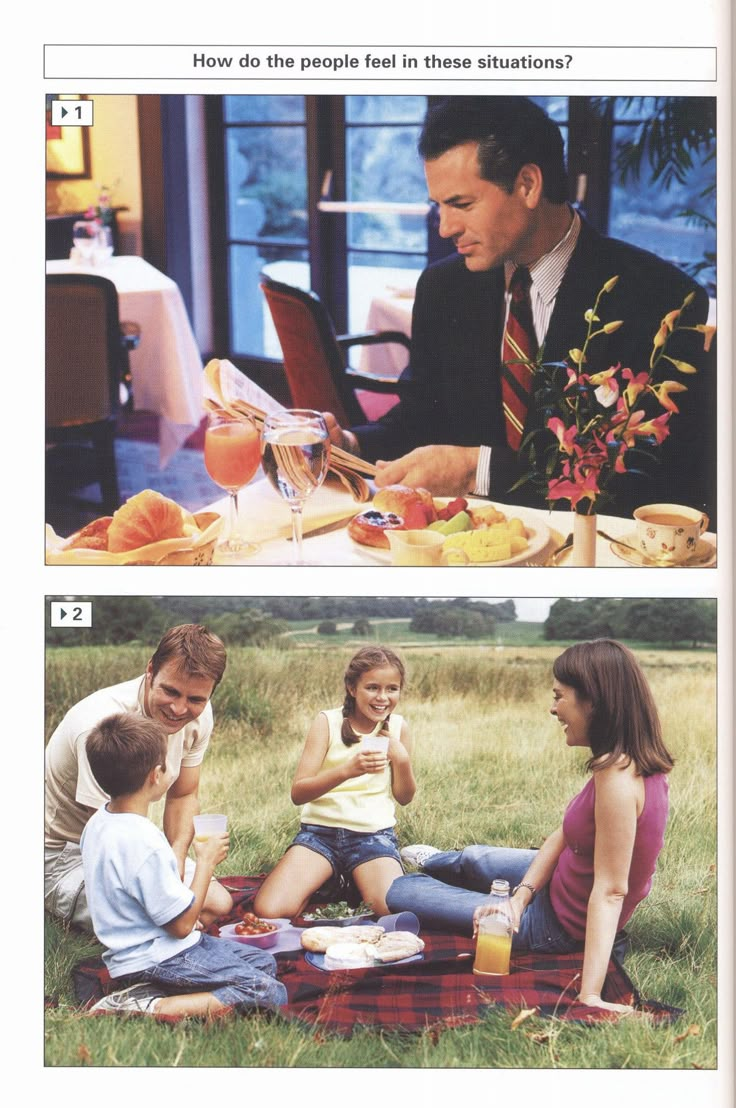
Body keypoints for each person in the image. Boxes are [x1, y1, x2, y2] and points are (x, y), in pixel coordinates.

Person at [325, 96, 714, 520]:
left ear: (528, 185)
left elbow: (654, 481)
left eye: (461, 204)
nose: (445, 227)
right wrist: (349, 443)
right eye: (438, 205)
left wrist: (477, 470)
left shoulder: (661, 300)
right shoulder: (444, 287)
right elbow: (420, 418)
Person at [386, 639, 673, 1014]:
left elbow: (611, 892)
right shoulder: (618, 760)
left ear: (593, 701)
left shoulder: (619, 782)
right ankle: (439, 860)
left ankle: (442, 878)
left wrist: (590, 996)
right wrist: (520, 897)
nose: (553, 709)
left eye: (559, 696)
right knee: (473, 857)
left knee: (402, 890)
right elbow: (564, 834)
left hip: (560, 924)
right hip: (561, 877)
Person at [81, 713, 287, 1018]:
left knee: (263, 963)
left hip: (136, 952)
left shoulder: (99, 822)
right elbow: (181, 926)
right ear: (156, 775)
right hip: (159, 957)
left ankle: (151, 993)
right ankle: (149, 1006)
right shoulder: (144, 842)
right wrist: (205, 862)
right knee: (268, 990)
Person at [45, 624, 233, 930]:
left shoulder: (200, 715)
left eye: (195, 699)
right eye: (170, 691)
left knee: (218, 904)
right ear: (150, 671)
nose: (179, 708)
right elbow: (110, 840)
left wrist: (175, 859)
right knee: (168, 923)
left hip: (127, 839)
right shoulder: (101, 724)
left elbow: (184, 795)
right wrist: (168, 901)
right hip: (64, 853)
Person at [254, 646, 416, 919]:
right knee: (269, 910)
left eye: (392, 689)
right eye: (372, 687)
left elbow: (404, 797)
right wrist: (347, 770)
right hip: (321, 835)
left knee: (390, 911)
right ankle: (338, 878)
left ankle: (348, 879)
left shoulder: (399, 727)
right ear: (352, 688)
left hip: (373, 836)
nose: (382, 697)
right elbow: (299, 792)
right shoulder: (327, 722)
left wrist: (401, 760)